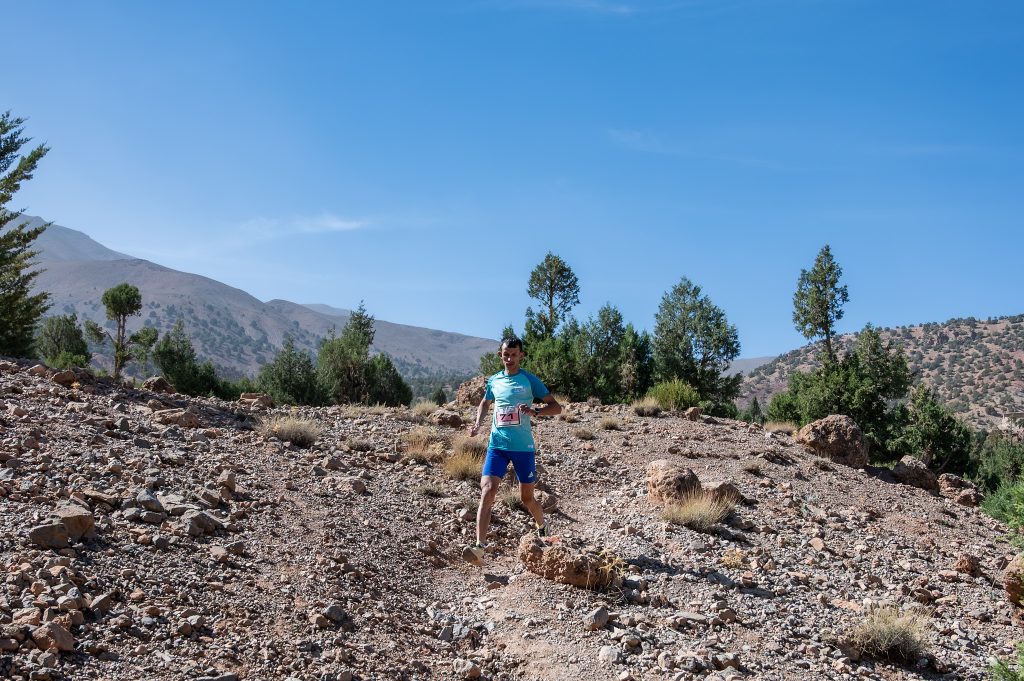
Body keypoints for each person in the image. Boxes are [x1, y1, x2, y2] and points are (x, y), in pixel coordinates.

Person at [463, 336, 561, 566]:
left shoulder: (529, 380)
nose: (509, 358)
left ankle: (542, 528)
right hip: (497, 446)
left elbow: (556, 407)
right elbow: (485, 402)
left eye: (514, 354)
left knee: (526, 498)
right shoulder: (494, 380)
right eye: (506, 354)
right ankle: (479, 547)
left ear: (521, 356)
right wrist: (477, 424)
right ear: (500, 355)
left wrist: (535, 411)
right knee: (487, 490)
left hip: (523, 448)